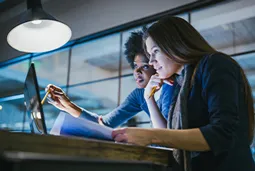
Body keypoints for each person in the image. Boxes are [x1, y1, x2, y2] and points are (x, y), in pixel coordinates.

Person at [112, 16, 255, 171]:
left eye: (155, 51)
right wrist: (149, 98)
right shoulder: (180, 82)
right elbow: (169, 137)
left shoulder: (214, 64)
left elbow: (221, 133)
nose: (151, 61)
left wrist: (150, 135)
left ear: (174, 44)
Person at [46, 30, 174, 128]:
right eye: (135, 66)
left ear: (156, 64)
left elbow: (168, 134)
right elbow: (104, 124)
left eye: (145, 66)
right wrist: (67, 105)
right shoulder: (139, 95)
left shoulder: (170, 87)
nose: (137, 72)